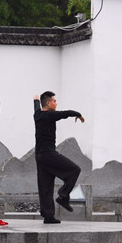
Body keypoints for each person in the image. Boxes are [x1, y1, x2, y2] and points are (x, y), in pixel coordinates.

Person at [33, 91, 85, 224]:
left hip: (39, 155)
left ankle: (48, 216)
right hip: (48, 154)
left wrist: (36, 100)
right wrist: (78, 114)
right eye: (54, 101)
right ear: (48, 103)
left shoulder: (37, 114)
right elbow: (65, 113)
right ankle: (63, 196)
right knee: (74, 170)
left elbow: (36, 107)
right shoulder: (50, 115)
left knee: (45, 186)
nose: (56, 103)